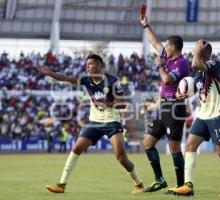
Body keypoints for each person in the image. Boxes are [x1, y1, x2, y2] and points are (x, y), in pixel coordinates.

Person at [37, 54, 143, 194]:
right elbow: (66, 78)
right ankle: (61, 185)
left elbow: (122, 104)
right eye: (87, 64)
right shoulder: (85, 79)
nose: (87, 66)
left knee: (121, 157)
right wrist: (49, 73)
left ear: (99, 66)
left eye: (91, 64)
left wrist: (107, 103)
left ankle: (139, 184)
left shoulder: (112, 81)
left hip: (112, 121)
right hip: (94, 122)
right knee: (76, 148)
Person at [168, 40, 220, 197]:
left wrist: (197, 52)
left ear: (202, 51)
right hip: (203, 115)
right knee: (189, 146)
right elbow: (192, 88)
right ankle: (188, 186)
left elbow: (195, 64)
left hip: (218, 114)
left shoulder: (213, 64)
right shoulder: (197, 73)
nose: (193, 49)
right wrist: (180, 94)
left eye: (196, 48)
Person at [139, 16, 190, 192]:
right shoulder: (167, 57)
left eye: (167, 46)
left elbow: (167, 80)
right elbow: (155, 43)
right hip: (164, 107)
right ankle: (159, 180)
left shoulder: (182, 63)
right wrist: (146, 25)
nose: (164, 48)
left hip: (175, 107)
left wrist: (159, 66)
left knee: (174, 146)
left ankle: (181, 185)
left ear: (174, 48)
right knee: (147, 143)